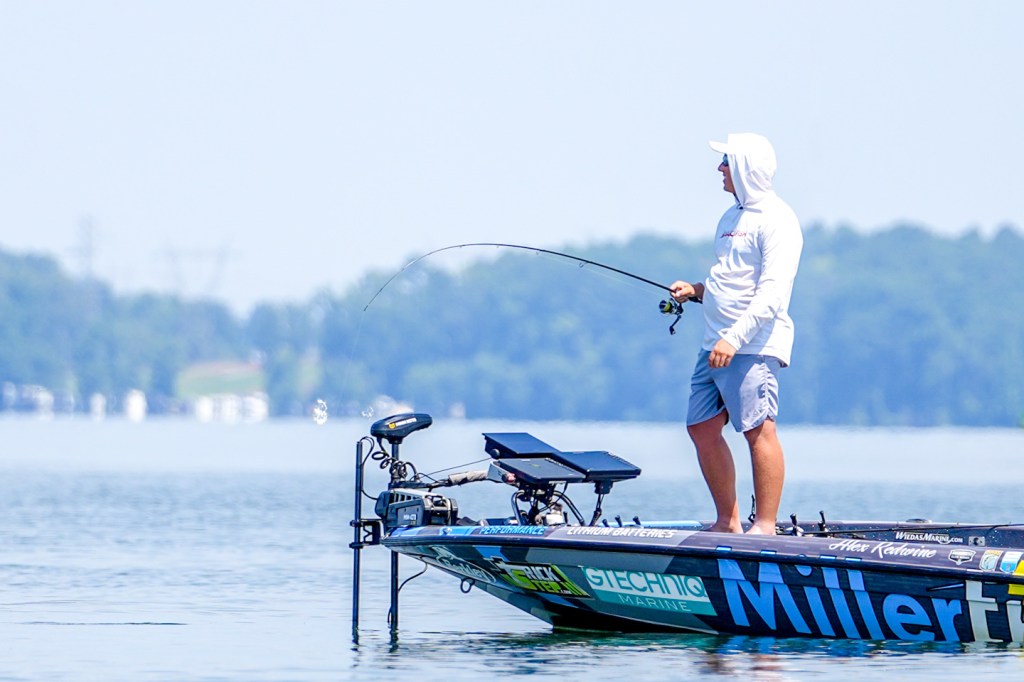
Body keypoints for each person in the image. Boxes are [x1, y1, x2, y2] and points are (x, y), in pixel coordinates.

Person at [669, 133, 803, 535]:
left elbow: (771, 294)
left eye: (726, 162)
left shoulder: (778, 220)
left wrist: (735, 339)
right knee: (701, 427)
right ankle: (727, 523)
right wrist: (696, 290)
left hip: (751, 346)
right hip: (715, 344)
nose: (720, 169)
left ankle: (765, 526)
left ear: (745, 167)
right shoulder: (730, 218)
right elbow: (730, 279)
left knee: (759, 430)